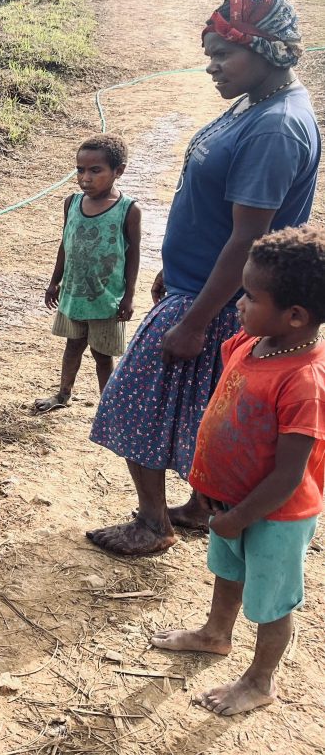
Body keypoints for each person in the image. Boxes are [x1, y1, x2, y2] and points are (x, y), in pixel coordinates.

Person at [87, 0, 320, 556]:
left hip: (215, 300)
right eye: (208, 53)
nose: (211, 66)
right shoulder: (257, 101)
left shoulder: (275, 129)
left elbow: (247, 237)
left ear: (264, 50)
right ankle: (196, 506)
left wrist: (194, 322)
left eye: (221, 54)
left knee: (130, 399)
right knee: (203, 411)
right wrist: (174, 263)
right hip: (197, 283)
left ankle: (151, 523)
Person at [151, 226, 325, 716]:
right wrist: (214, 494)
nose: (239, 304)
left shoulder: (304, 381)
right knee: (227, 574)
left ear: (295, 315)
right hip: (229, 504)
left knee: (271, 602)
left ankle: (260, 680)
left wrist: (242, 516)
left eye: (250, 296)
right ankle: (214, 634)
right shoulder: (250, 345)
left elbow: (289, 476)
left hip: (274, 515)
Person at [35, 134, 141, 413]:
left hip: (106, 299)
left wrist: (129, 297)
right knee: (73, 345)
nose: (85, 178)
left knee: (102, 355)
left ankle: (107, 407)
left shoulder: (128, 210)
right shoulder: (72, 203)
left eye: (96, 170)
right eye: (80, 170)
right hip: (74, 294)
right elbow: (65, 244)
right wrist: (53, 282)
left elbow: (133, 255)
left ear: (118, 171)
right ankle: (62, 394)